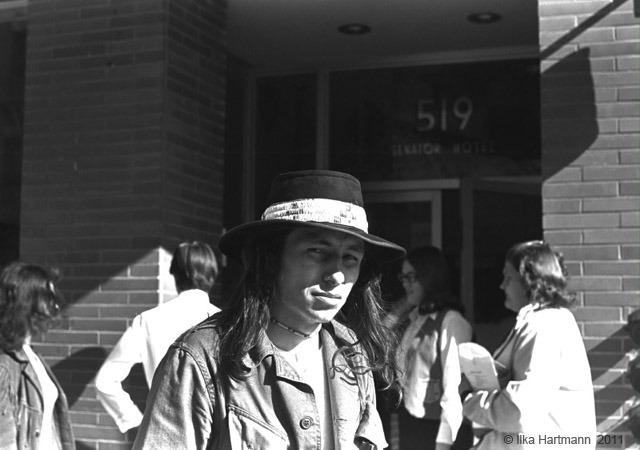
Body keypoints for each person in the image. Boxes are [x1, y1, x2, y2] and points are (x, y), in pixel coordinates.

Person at [133, 169, 406, 449]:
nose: (336, 275)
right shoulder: (202, 359)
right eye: (317, 251)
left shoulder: (351, 353)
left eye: (350, 257)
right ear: (271, 258)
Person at [461, 240, 596, 449]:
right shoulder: (537, 322)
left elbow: (518, 411)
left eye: (508, 277)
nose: (501, 285)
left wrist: (468, 399)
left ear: (530, 280)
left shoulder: (546, 325)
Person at [95, 241, 220, 433]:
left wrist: (136, 422)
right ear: (211, 275)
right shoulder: (227, 323)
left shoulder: (148, 320)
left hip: (164, 434)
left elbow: (105, 380)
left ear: (175, 275)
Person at [395, 246, 473, 450]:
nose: (405, 284)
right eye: (403, 277)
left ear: (430, 277)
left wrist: (444, 444)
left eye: (411, 277)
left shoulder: (451, 321)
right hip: (412, 423)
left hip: (435, 430)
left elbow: (453, 389)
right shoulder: (416, 320)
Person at [0, 261, 76, 450]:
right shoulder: (5, 366)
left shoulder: (31, 355)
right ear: (27, 300)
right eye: (48, 297)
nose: (55, 304)